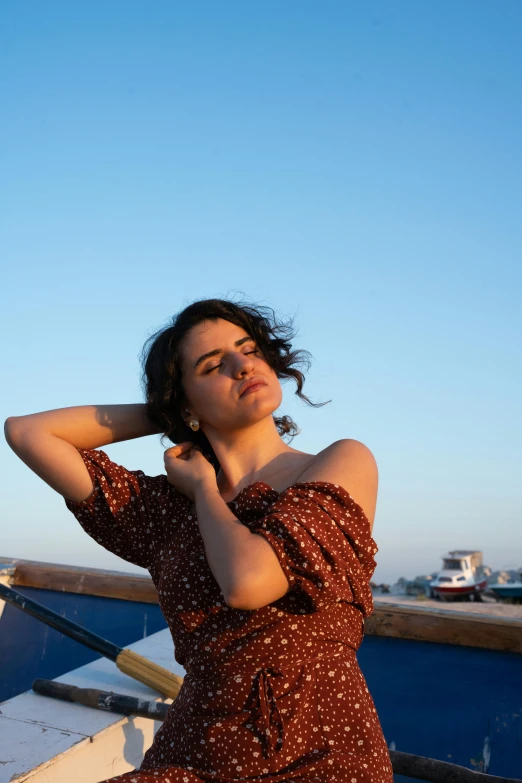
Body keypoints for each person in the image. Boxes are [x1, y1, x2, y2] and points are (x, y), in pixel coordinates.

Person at [4, 298, 394, 783]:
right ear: (185, 402)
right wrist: (170, 413)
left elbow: (250, 580)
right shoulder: (163, 511)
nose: (242, 364)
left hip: (316, 751)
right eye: (214, 366)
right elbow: (28, 433)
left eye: (248, 349)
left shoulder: (339, 463)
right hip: (193, 751)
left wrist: (204, 488)